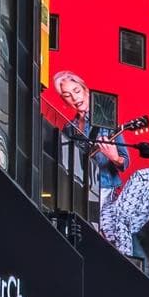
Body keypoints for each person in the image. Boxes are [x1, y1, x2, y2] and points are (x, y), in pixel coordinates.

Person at [99, 129, 149, 262]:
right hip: (115, 231)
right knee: (143, 268)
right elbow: (121, 219)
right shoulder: (141, 178)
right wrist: (126, 259)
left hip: (142, 235)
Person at [47, 71, 127, 205]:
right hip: (78, 188)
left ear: (86, 90)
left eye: (76, 91)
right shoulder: (69, 128)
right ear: (64, 100)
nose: (74, 98)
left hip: (105, 188)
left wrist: (115, 158)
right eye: (67, 95)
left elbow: (125, 161)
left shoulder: (105, 117)